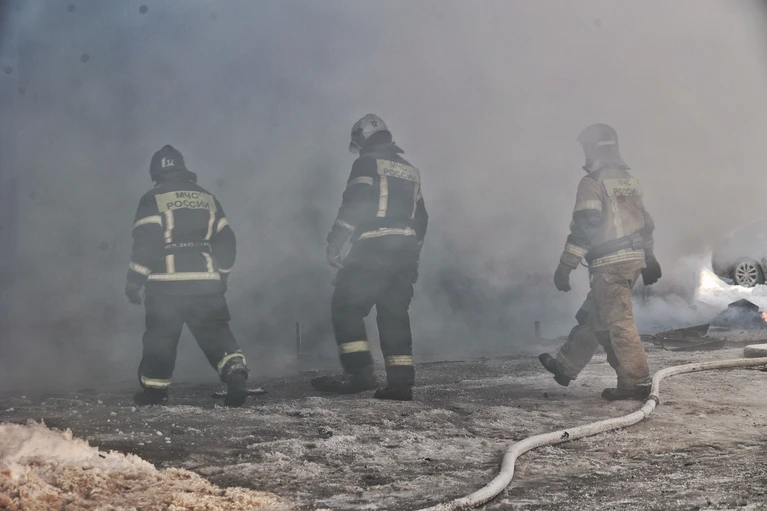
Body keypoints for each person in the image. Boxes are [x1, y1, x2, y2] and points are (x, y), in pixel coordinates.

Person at [539, 124, 662, 401]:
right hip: (631, 260)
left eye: (586, 148)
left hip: (611, 264)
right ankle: (565, 366)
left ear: (594, 149)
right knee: (594, 316)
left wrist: (566, 265)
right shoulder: (629, 180)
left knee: (617, 323)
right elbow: (645, 224)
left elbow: (586, 226)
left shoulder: (592, 182)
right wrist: (650, 257)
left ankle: (635, 383)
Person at [311, 114, 428, 401]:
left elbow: (354, 205)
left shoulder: (365, 162)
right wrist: (413, 255)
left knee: (346, 307)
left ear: (362, 139)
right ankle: (400, 384)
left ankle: (359, 374)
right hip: (404, 251)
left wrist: (335, 243)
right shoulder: (410, 169)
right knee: (394, 314)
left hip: (374, 248)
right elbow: (422, 218)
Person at [125, 144, 250, 407]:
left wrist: (134, 281)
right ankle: (236, 374)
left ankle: (155, 393)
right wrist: (223, 275)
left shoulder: (152, 198)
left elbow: (147, 244)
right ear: (183, 169)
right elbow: (227, 241)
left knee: (161, 339)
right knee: (216, 333)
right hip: (206, 284)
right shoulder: (207, 197)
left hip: (166, 287)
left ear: (155, 173)